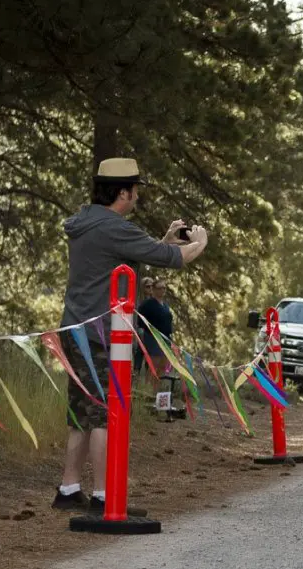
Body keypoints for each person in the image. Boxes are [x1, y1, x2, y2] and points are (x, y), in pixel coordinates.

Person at [53, 158, 207, 514]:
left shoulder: (89, 222)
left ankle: (69, 486)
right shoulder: (112, 227)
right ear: (123, 192)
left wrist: (165, 241)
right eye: (135, 190)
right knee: (105, 415)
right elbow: (173, 260)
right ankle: (105, 496)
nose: (137, 197)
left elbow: (137, 253)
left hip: (75, 329)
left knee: (80, 414)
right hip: (100, 335)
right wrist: (199, 242)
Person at [137, 277, 174, 375]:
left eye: (164, 288)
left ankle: (156, 390)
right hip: (153, 338)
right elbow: (140, 321)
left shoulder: (165, 305)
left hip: (166, 338)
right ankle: (149, 388)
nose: (162, 290)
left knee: (163, 366)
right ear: (153, 289)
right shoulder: (147, 304)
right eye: (160, 288)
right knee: (154, 366)